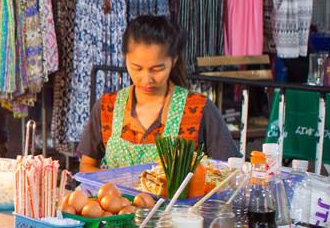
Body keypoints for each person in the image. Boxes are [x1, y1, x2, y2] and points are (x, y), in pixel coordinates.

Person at [78, 14, 238, 171]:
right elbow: (87, 166)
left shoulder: (198, 109)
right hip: (117, 198)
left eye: (157, 69)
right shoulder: (108, 107)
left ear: (173, 60)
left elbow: (231, 171)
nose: (146, 79)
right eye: (137, 68)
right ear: (125, 58)